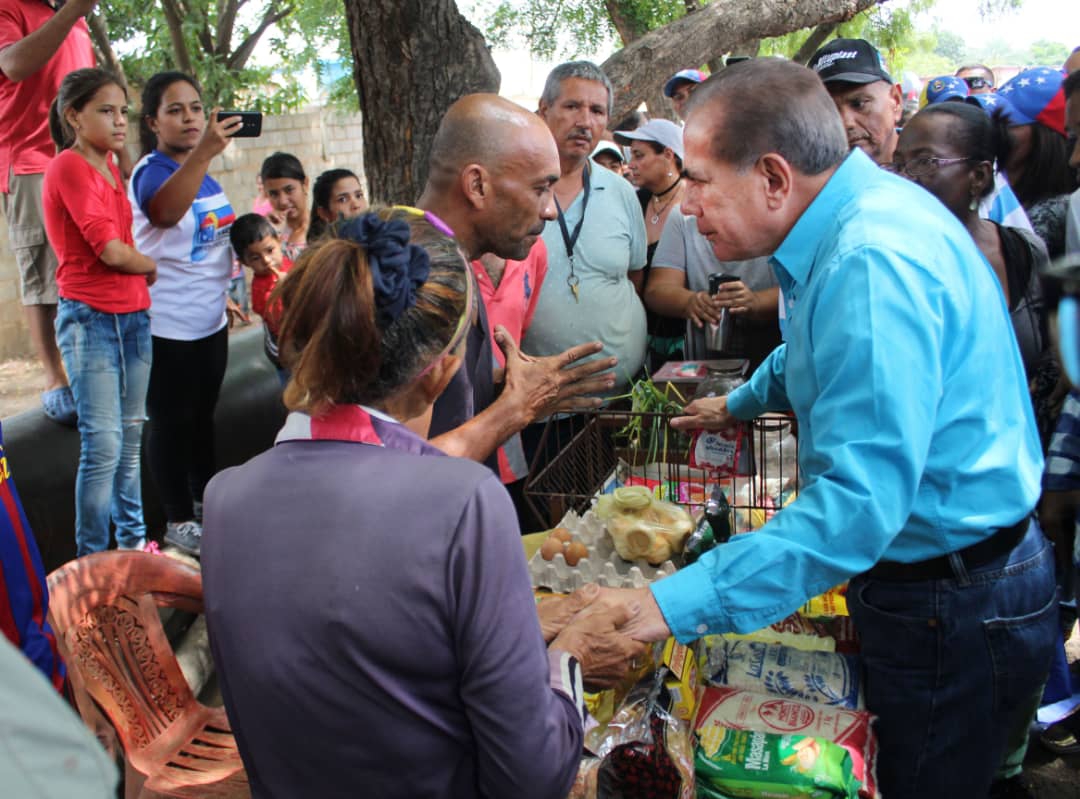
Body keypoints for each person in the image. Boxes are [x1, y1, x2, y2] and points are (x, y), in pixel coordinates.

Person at [605, 59, 1057, 799]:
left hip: (956, 597)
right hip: (941, 581)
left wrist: (666, 605)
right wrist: (739, 401)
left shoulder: (869, 258)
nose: (687, 207)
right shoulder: (848, 223)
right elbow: (814, 349)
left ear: (775, 177)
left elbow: (854, 507)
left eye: (702, 181)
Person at [201, 207, 645, 799]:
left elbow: (357, 651)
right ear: (444, 372)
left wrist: (516, 630)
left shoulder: (226, 497)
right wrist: (567, 656)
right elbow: (532, 774)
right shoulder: (463, 503)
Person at [415, 92, 619, 473]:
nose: (549, 211)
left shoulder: (447, 257)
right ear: (477, 185)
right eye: (540, 188)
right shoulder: (417, 278)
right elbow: (401, 467)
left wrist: (513, 387)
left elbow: (443, 404)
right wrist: (514, 410)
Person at [43, 68, 156, 556]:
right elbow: (111, 251)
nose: (119, 122)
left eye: (123, 112)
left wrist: (140, 274)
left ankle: (130, 554)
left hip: (133, 317)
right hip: (92, 320)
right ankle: (92, 564)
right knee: (104, 448)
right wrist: (149, 265)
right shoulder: (68, 167)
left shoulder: (110, 166)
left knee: (129, 445)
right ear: (74, 115)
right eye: (106, 111)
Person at [130, 71, 241, 557]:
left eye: (196, 107)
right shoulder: (151, 171)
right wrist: (204, 153)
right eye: (176, 110)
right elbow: (165, 215)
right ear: (153, 121)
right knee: (171, 422)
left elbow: (210, 242)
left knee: (202, 420)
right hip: (167, 326)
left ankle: (207, 508)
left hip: (210, 323)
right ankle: (176, 520)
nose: (190, 118)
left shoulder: (206, 172)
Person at [891, 102, 1048, 377]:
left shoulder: (1024, 251)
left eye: (924, 162)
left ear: (979, 176)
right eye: (898, 165)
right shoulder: (891, 264)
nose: (904, 179)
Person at [524, 61, 647, 394]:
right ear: (544, 110)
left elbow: (634, 279)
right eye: (572, 106)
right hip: (542, 409)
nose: (585, 122)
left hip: (622, 402)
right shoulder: (515, 191)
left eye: (597, 111)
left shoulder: (621, 191)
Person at [0, 0, 96, 425]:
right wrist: (71, 11)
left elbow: (92, 91)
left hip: (87, 158)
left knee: (91, 266)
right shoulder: (10, 7)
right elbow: (13, 64)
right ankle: (55, 379)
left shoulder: (76, 20)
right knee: (42, 274)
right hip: (29, 160)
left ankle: (90, 369)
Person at [646, 210, 780, 370]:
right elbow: (657, 290)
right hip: (705, 355)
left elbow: (803, 288)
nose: (689, 199)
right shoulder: (684, 217)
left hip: (772, 353)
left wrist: (757, 302)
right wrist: (690, 302)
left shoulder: (776, 214)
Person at [615, 118, 687, 366]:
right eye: (630, 155)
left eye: (639, 155)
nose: (631, 165)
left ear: (668, 154)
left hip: (689, 340)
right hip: (636, 338)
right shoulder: (634, 202)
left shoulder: (694, 204)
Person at [998, 67, 1078, 259]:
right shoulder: (994, 193)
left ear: (1046, 138)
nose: (994, 130)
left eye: (1008, 124)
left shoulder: (1064, 210)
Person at [807, 37, 902, 165]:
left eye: (859, 104)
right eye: (830, 111)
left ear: (896, 101)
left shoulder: (932, 174)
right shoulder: (811, 181)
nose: (846, 123)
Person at [230, 213, 291, 380]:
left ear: (279, 241)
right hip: (284, 350)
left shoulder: (290, 263)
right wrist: (285, 290)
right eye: (255, 258)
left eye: (270, 250)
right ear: (244, 262)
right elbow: (274, 319)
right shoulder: (260, 289)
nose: (266, 260)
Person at [260, 151, 309, 258]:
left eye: (289, 190)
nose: (283, 201)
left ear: (305, 184)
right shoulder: (267, 234)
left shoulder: (323, 228)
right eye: (274, 194)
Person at [308, 167, 366, 241]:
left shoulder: (380, 238)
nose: (356, 205)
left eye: (359, 195)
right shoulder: (326, 251)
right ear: (324, 213)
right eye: (342, 199)